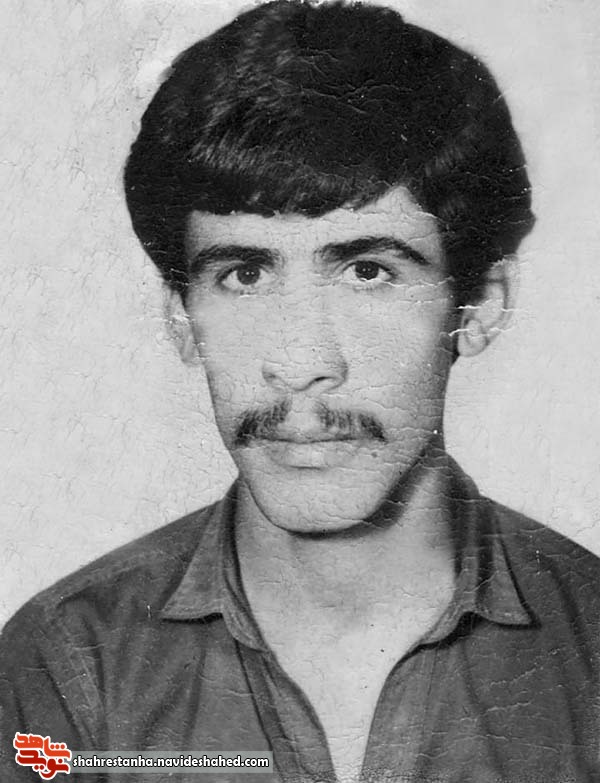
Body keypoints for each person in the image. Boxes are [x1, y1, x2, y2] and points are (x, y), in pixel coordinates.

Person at [1, 1, 599, 781]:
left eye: (368, 271)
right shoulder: (67, 663)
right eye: (244, 275)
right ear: (182, 318)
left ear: (479, 307)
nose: (300, 360)